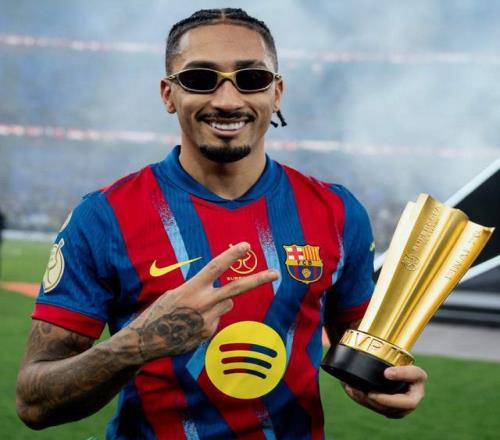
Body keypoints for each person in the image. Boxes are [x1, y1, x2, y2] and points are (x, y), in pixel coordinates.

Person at [16, 8, 427, 439]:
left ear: (277, 92)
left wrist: (385, 384)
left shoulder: (338, 212)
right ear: (168, 94)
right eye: (200, 79)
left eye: (252, 79)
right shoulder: (103, 216)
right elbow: (34, 403)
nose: (228, 100)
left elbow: (360, 354)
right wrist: (138, 344)